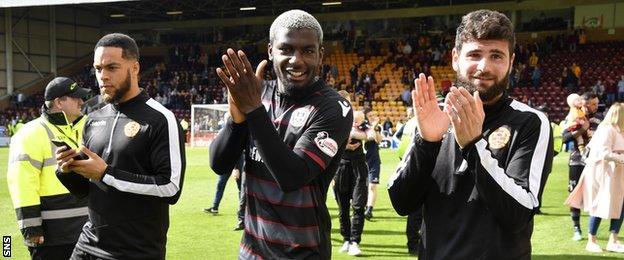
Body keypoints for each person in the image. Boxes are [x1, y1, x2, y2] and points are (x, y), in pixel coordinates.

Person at [387, 10, 553, 259]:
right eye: (474, 54)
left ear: (511, 61)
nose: (484, 67)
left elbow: (519, 213)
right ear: (455, 58)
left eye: (496, 55)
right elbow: (402, 202)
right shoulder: (435, 115)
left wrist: (474, 145)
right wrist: (427, 143)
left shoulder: (529, 122)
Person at [209, 10, 353, 259]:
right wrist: (237, 121)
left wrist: (253, 111)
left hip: (302, 253)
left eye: (307, 51)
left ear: (321, 55)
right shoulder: (257, 92)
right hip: (251, 251)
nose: (296, 60)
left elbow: (292, 177)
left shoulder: (333, 108)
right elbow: (219, 163)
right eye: (286, 49)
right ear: (270, 51)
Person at [55, 33, 186, 259]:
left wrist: (106, 173)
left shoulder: (161, 119)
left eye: (111, 67)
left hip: (134, 250)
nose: (102, 76)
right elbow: (89, 191)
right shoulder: (93, 119)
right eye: (98, 69)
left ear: (134, 68)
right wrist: (68, 170)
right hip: (88, 242)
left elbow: (170, 188)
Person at [7, 77, 90, 260]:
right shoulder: (29, 134)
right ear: (59, 102)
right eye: (75, 97)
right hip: (53, 237)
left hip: (89, 232)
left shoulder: (88, 128)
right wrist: (31, 228)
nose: (81, 102)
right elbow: (22, 183)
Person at [566, 103, 624, 253]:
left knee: (621, 205)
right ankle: (591, 240)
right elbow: (603, 153)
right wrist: (621, 157)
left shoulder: (620, 130)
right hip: (604, 173)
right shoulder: (606, 129)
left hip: (618, 174)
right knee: (600, 204)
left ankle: (614, 240)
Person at [562, 92, 602, 241]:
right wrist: (582, 129)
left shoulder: (600, 119)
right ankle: (576, 229)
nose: (596, 107)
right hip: (577, 161)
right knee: (575, 195)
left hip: (595, 161)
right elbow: (565, 138)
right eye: (593, 104)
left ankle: (593, 232)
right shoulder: (572, 117)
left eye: (597, 103)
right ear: (584, 105)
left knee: (597, 194)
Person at [334, 109, 370, 256]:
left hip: (359, 168)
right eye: (354, 119)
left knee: (358, 206)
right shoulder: (340, 124)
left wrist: (353, 134)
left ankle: (355, 241)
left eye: (359, 120)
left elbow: (370, 136)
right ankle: (346, 240)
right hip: (341, 168)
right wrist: (345, 142)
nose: (356, 122)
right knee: (342, 208)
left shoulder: (364, 127)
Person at [364, 110, 383, 221]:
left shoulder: (377, 127)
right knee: (363, 186)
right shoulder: (362, 127)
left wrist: (375, 128)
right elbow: (368, 137)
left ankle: (369, 209)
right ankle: (363, 206)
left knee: (372, 186)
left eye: (374, 115)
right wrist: (372, 127)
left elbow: (379, 140)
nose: (372, 117)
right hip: (362, 160)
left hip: (374, 161)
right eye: (370, 115)